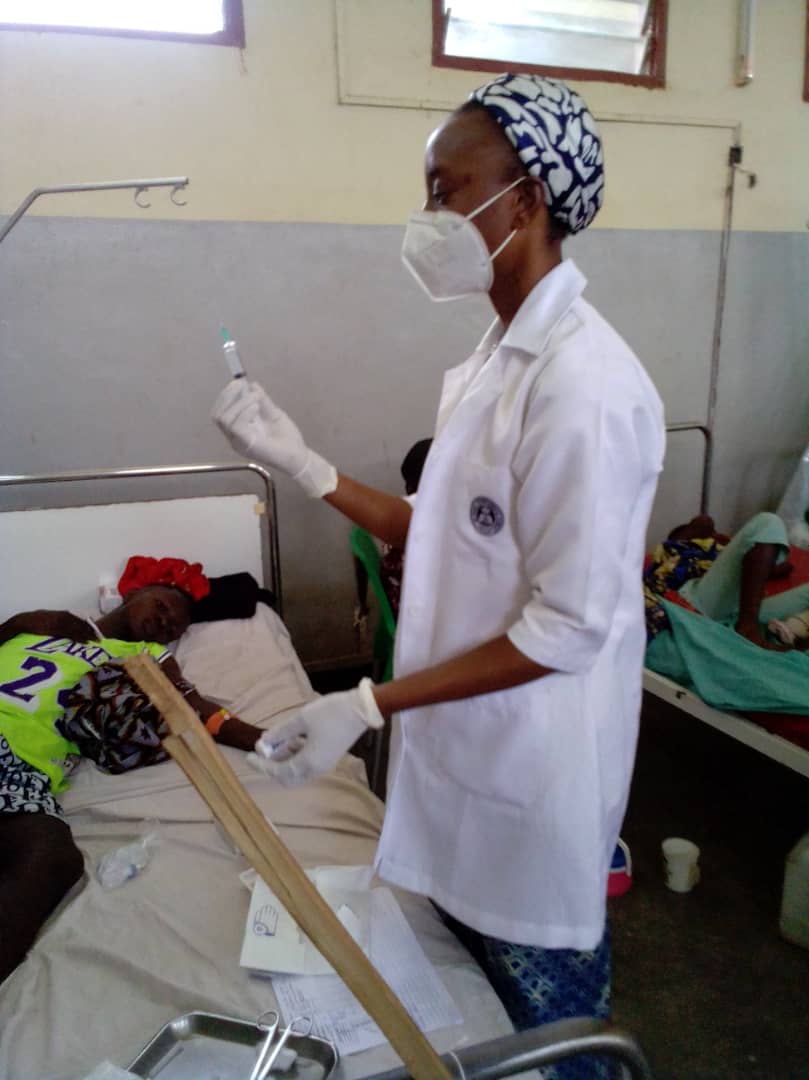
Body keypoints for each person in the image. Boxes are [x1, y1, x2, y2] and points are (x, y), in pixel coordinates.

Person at [214, 72, 665, 1067]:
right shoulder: (496, 359)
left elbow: (566, 628)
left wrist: (366, 703)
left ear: (525, 198)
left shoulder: (584, 389)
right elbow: (444, 529)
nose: (427, 218)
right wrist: (302, 462)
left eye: (444, 189)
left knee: (556, 1038)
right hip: (464, 747)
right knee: (474, 1005)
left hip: (531, 770)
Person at [0, 572, 264, 983]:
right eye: (161, 605)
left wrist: (268, 741)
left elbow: (191, 707)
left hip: (20, 766)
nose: (164, 622)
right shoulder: (43, 624)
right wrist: (18, 623)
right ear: (135, 592)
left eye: (174, 627)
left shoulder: (141, 656)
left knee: (52, 856)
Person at [645, 511, 808, 650]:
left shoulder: (724, 555)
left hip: (734, 612)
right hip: (698, 605)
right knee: (768, 522)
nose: (714, 532)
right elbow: (704, 522)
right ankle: (748, 627)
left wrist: (732, 547)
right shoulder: (678, 549)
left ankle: (752, 627)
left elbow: (781, 568)